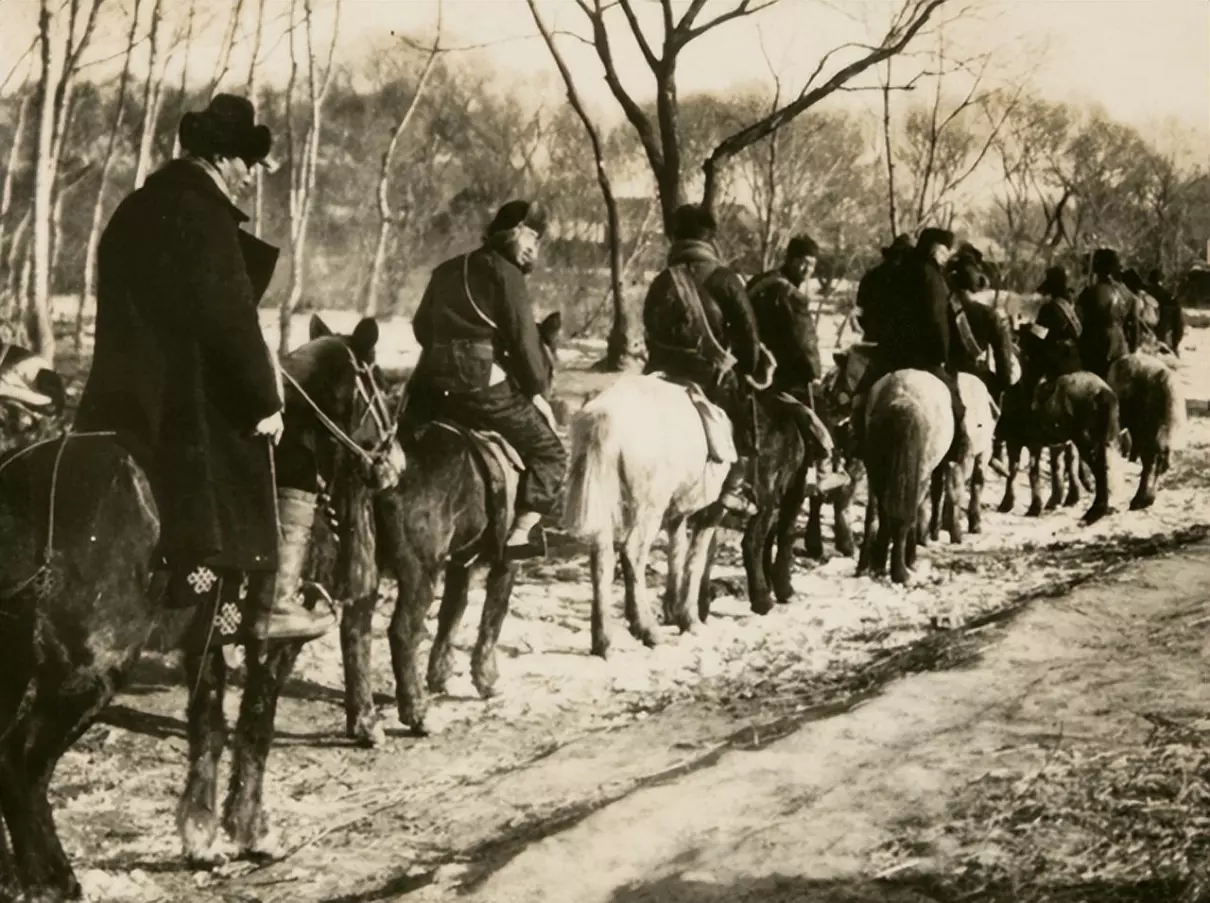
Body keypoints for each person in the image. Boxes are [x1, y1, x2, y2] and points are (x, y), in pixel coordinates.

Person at [75, 94, 334, 642]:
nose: (248, 178)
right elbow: (228, 322)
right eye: (246, 164)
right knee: (294, 458)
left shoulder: (135, 207)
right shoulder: (207, 215)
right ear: (221, 158)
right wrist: (265, 400)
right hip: (184, 407)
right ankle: (266, 603)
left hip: (115, 399)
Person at [405, 200, 567, 559]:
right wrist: (537, 390)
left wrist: (445, 350)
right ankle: (520, 535)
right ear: (514, 233)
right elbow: (525, 340)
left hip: (428, 380)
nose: (534, 249)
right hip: (478, 382)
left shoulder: (446, 269)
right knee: (551, 451)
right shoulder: (505, 273)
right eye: (532, 239)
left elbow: (421, 327)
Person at [643, 203, 763, 516]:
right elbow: (749, 336)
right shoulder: (724, 279)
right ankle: (735, 488)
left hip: (660, 374)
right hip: (709, 379)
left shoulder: (661, 280)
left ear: (675, 239)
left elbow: (649, 329)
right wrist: (747, 370)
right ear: (710, 239)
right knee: (744, 419)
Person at [850, 226, 969, 464]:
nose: (946, 257)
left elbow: (873, 314)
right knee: (956, 402)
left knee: (861, 396)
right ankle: (957, 449)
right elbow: (938, 322)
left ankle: (857, 442)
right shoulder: (933, 277)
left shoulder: (894, 272)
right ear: (936, 249)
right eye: (945, 251)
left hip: (890, 355)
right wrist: (941, 356)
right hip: (924, 358)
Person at [746, 234, 845, 494]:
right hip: (783, 377)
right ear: (790, 259)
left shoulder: (758, 282)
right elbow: (804, 342)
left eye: (812, 264)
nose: (808, 269)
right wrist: (814, 372)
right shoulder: (792, 296)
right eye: (803, 262)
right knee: (821, 415)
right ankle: (825, 469)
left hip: (749, 368)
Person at [1074, 248, 1131, 379]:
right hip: (1118, 340)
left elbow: (1079, 317)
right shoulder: (1123, 292)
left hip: (1095, 341)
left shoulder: (1088, 292)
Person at [855, 233, 914, 344]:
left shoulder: (871, 276)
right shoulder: (906, 280)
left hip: (873, 335)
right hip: (895, 340)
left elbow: (860, 309)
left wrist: (869, 328)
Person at [1032, 265, 1083, 379]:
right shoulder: (1076, 303)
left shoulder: (1050, 308)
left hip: (1056, 361)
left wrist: (1026, 329)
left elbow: (1039, 335)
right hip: (1076, 359)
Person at [1148, 267, 1185, 356]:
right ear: (1162, 281)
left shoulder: (1143, 294)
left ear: (1149, 281)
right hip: (1164, 338)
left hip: (1146, 339)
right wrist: (1175, 344)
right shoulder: (1169, 297)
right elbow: (1178, 325)